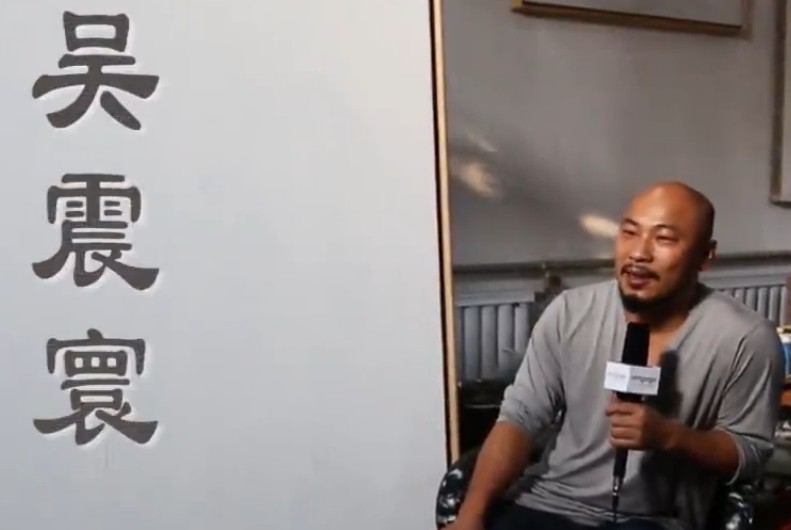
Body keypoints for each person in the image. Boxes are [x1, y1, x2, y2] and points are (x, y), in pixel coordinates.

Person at [446, 182, 785, 530]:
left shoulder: (746, 338)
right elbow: (520, 418)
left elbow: (749, 453)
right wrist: (471, 516)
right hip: (546, 504)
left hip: (653, 521)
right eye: (629, 232)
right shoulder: (569, 312)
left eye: (664, 239)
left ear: (705, 255)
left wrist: (670, 436)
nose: (639, 253)